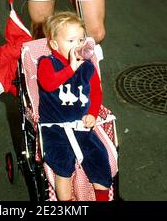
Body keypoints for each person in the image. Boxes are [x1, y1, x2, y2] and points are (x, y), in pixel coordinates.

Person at [37, 11, 112, 201]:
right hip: (54, 127)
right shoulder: (47, 63)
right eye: (71, 41)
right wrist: (70, 68)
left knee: (99, 156)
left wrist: (93, 114)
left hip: (81, 125)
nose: (77, 46)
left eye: (80, 40)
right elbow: (48, 83)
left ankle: (102, 197)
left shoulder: (87, 66)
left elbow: (96, 92)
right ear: (54, 44)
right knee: (62, 162)